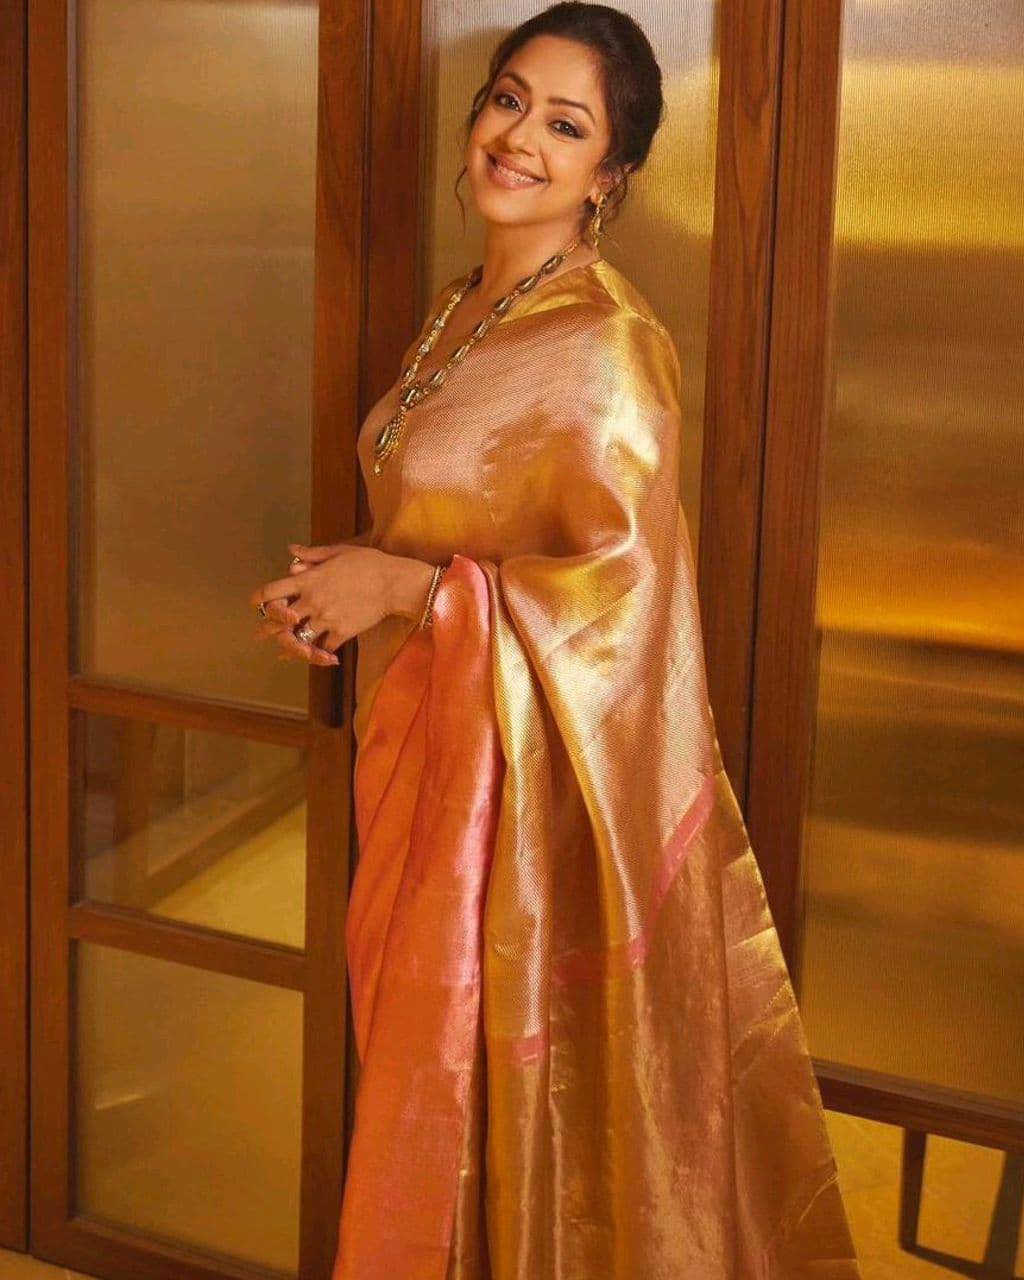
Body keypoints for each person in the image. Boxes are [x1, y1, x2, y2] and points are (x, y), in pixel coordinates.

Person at [250, 5, 861, 1277]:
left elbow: (622, 604)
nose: (519, 136)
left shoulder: (607, 342)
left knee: (484, 1089)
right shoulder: (459, 307)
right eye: (508, 99)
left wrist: (403, 591)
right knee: (424, 1082)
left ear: (607, 174)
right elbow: (462, 521)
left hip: (527, 811)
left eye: (565, 125)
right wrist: (342, 584)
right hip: (425, 748)